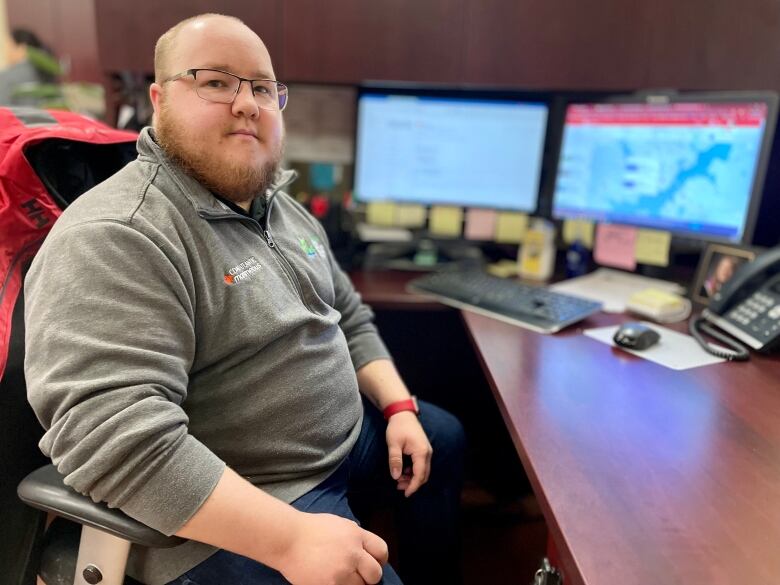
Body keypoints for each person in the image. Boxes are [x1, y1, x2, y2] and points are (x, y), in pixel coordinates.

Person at [23, 13, 464, 585]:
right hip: (253, 498)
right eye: (216, 81)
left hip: (337, 447)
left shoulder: (281, 208)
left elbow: (351, 318)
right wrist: (292, 539)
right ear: (159, 98)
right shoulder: (119, 233)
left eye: (261, 87)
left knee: (443, 437)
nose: (247, 103)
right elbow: (110, 436)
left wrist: (399, 408)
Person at [0, 28, 58, 105]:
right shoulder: (47, 71)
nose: (7, 53)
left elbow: (3, 111)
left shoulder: (5, 77)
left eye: (10, 47)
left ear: (22, 48)